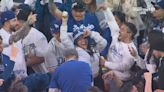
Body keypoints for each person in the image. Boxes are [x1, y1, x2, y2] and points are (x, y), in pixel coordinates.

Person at [15, 5, 48, 74]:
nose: (17, 23)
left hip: (40, 75)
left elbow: (42, 57)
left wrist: (22, 64)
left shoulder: (38, 36)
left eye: (20, 21)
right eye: (15, 20)